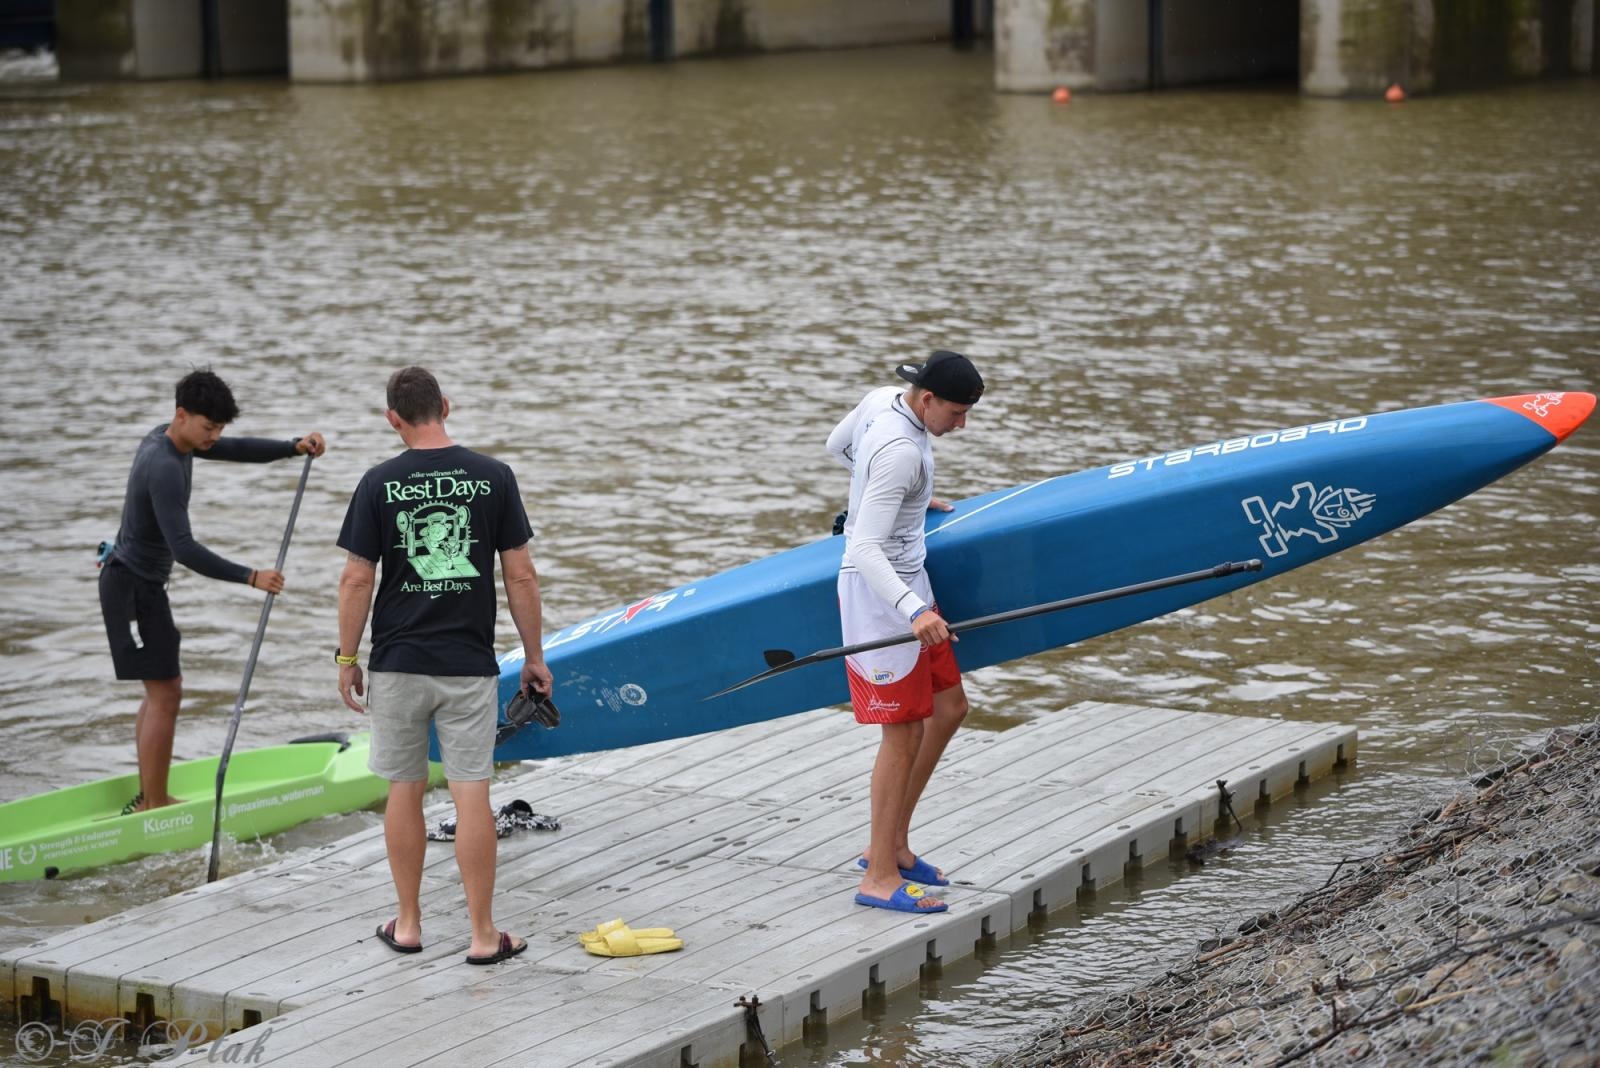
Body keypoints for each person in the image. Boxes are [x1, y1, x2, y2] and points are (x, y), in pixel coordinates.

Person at [335, 366, 553, 965]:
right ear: (447, 407)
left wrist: (347, 657)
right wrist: (534, 658)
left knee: (403, 789)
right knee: (471, 794)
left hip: (398, 663)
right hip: (468, 664)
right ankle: (484, 936)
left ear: (392, 420)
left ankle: (408, 924)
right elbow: (521, 574)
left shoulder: (378, 482)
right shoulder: (493, 477)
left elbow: (357, 578)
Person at [99, 368, 326, 815]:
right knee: (167, 692)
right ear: (181, 415)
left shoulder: (174, 440)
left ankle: (149, 794)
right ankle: (154, 803)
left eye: (219, 428)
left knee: (160, 690)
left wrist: (291, 447)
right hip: (133, 587)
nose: (214, 437)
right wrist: (250, 576)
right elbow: (183, 548)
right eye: (208, 427)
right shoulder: (163, 466)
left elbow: (235, 449)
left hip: (134, 584)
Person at [828, 350, 984, 913]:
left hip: (909, 577)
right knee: (902, 733)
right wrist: (913, 612)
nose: (962, 424)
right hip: (883, 596)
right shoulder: (899, 451)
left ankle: (887, 847)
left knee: (950, 707)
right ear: (927, 400)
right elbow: (862, 545)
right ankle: (879, 880)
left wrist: (903, 502)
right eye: (958, 413)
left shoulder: (879, 403)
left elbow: (838, 447)